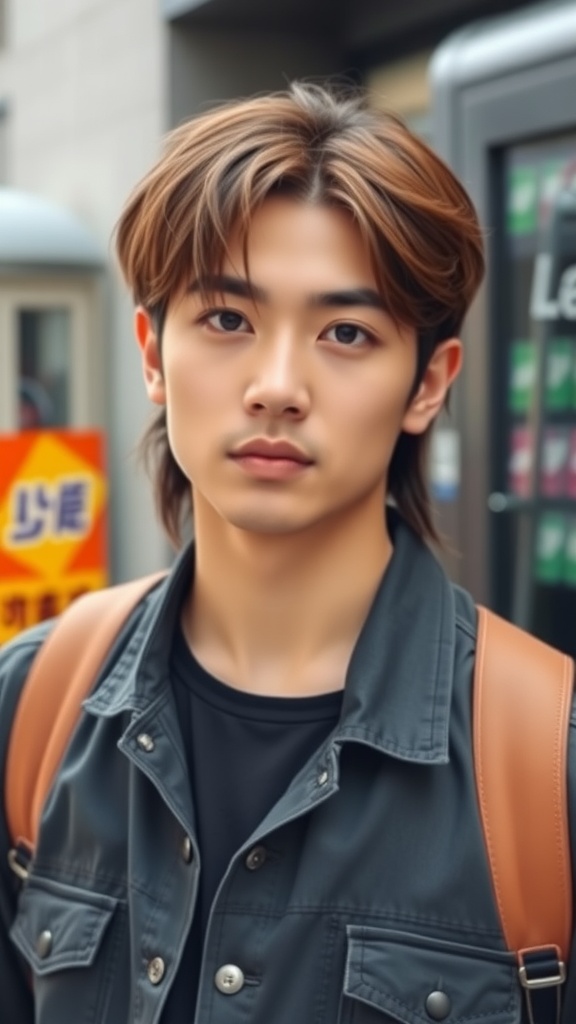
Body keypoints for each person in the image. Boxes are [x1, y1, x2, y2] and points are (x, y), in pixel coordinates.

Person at [0, 82, 573, 1024]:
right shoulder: (36, 706)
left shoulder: (547, 766)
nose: (276, 386)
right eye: (228, 320)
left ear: (429, 382)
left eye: (346, 333)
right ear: (151, 350)